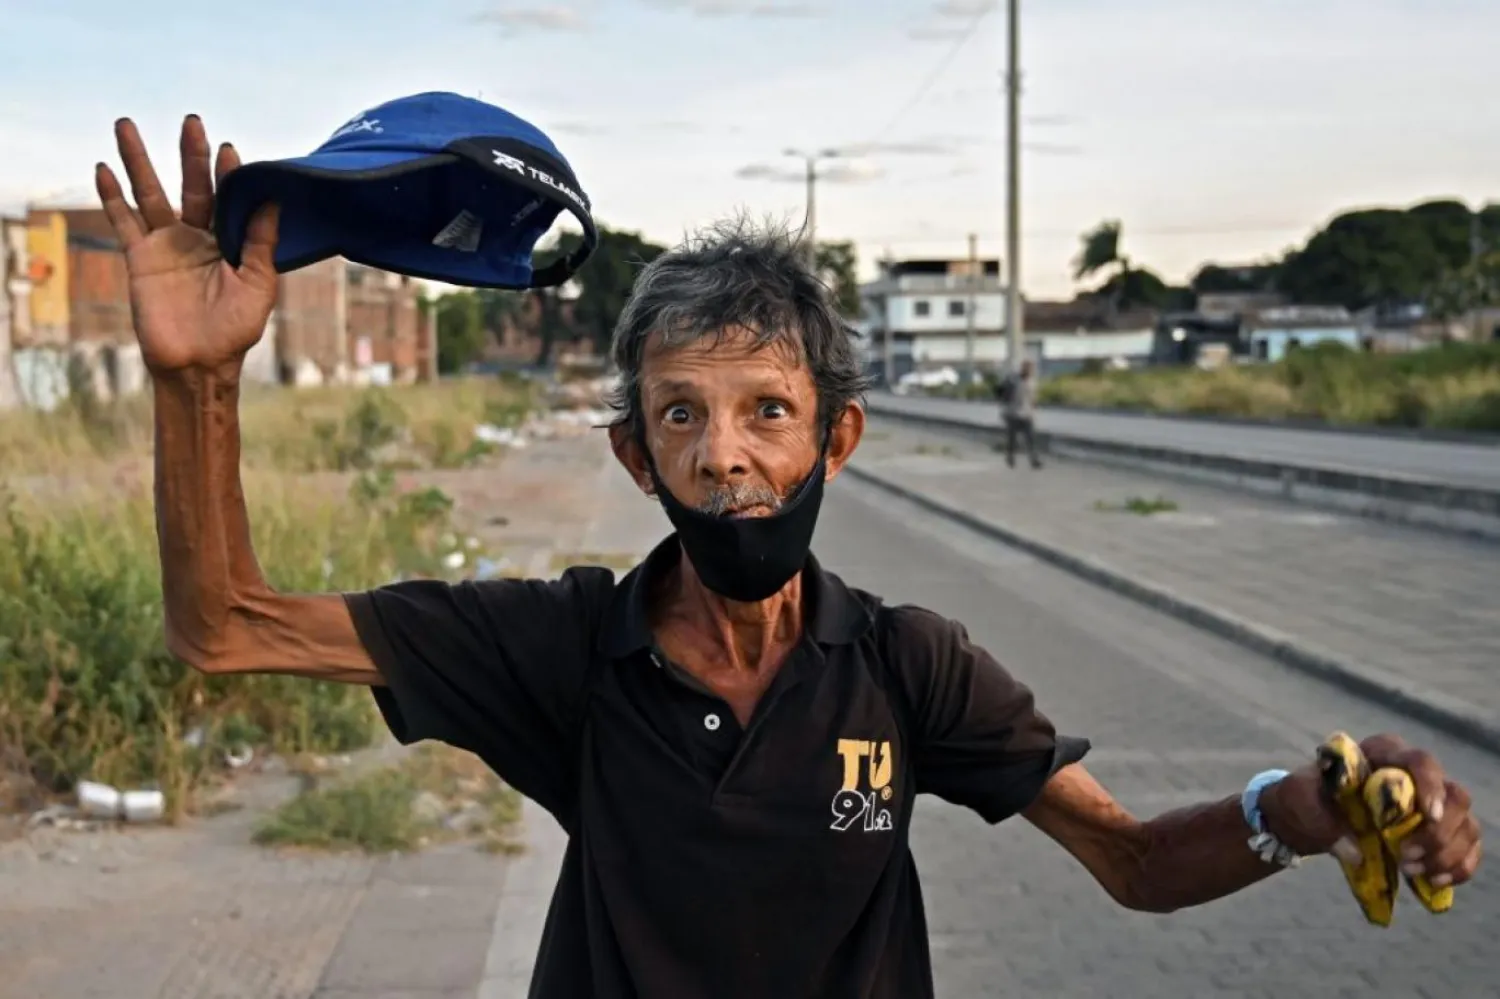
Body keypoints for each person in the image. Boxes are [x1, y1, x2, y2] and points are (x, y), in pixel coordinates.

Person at [97, 116, 1482, 999]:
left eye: (768, 410)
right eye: (681, 417)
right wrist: (198, 382)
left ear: (838, 437)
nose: (726, 457)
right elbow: (226, 625)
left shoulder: (909, 664)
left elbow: (1130, 858)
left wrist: (1306, 808)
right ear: (636, 457)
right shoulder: (561, 648)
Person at [993, 358, 1041, 469]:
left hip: (1027, 414)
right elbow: (1001, 392)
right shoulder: (1013, 380)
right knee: (1012, 439)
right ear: (1023, 368)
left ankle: (1034, 460)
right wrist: (1003, 404)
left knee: (1030, 438)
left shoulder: (1032, 382)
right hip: (1013, 413)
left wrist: (1034, 410)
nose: (1029, 371)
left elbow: (1033, 398)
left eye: (1031, 369)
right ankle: (1010, 457)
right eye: (1027, 368)